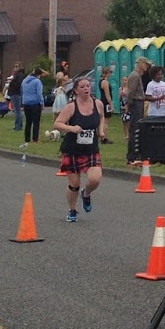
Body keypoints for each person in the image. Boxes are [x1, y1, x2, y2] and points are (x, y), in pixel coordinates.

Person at [52, 75, 108, 221]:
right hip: (72, 150)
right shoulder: (71, 107)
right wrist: (71, 128)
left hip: (91, 149)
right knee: (74, 184)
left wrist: (101, 131)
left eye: (88, 86)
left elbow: (101, 117)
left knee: (95, 179)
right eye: (82, 87)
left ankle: (86, 194)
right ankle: (72, 210)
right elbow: (57, 124)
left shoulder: (98, 104)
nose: (86, 89)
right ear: (76, 90)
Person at [20, 67, 46, 144]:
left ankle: (27, 138)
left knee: (28, 122)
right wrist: (42, 103)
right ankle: (35, 139)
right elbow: (39, 94)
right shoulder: (37, 81)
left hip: (26, 103)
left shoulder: (24, 81)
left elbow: (22, 91)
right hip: (35, 103)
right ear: (39, 75)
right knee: (36, 122)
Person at [7, 64, 25, 132]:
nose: (15, 68)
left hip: (16, 93)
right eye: (14, 66)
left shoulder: (19, 75)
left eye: (16, 66)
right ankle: (19, 125)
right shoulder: (17, 75)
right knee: (17, 111)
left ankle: (18, 126)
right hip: (15, 93)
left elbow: (18, 84)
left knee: (17, 111)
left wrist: (11, 83)